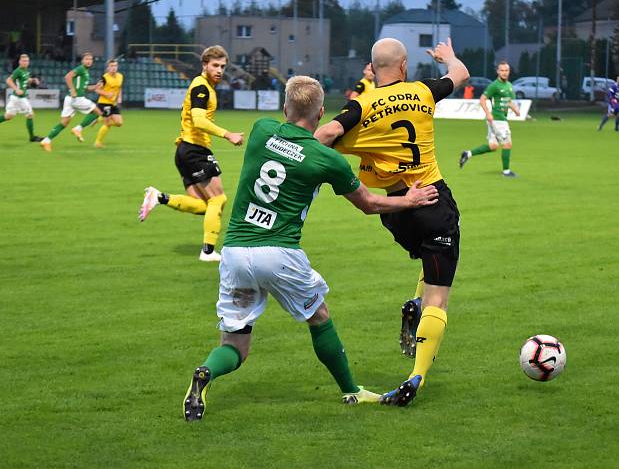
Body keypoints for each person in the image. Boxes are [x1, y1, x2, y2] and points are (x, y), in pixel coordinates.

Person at [182, 76, 440, 421]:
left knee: (235, 346)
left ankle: (205, 373)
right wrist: (409, 200)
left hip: (235, 252)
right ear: (321, 112)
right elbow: (368, 204)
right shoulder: (327, 160)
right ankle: (352, 390)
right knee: (319, 317)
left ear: (285, 106)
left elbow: (287, 141)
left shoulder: (261, 130)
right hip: (279, 253)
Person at [315, 37, 468, 407]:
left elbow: (324, 135)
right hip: (431, 198)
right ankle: (416, 376)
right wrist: (446, 56)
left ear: (374, 66)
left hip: (395, 210)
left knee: (426, 262)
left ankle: (415, 305)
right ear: (403, 66)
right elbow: (459, 75)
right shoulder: (423, 91)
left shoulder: (361, 106)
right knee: (439, 296)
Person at [139, 45, 244, 262]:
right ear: (204, 65)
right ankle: (207, 252)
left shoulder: (205, 86)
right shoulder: (202, 87)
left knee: (203, 207)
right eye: (215, 65)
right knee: (219, 199)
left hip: (184, 150)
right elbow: (199, 120)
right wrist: (228, 134)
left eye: (223, 66)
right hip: (195, 150)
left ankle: (158, 197)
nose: (220, 70)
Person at [458, 61, 522, 177]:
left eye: (506, 70)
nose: (504, 73)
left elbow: (508, 101)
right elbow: (482, 99)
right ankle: (506, 172)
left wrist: (516, 110)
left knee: (493, 146)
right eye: (502, 70)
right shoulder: (494, 85)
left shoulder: (509, 86)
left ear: (509, 71)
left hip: (501, 119)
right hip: (497, 119)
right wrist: (488, 113)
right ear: (498, 71)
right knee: (507, 144)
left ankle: (468, 154)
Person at [39, 53, 103, 152]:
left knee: (64, 123)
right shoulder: (81, 69)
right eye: (86, 59)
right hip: (77, 98)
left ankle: (46, 141)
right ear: (82, 61)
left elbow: (85, 88)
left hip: (70, 99)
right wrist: (72, 89)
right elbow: (67, 76)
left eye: (91, 59)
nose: (89, 61)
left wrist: (95, 87)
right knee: (97, 112)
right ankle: (78, 129)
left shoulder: (86, 72)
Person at [0, 54, 43, 142]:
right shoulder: (18, 71)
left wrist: (32, 80)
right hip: (19, 98)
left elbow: (25, 79)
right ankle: (32, 137)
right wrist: (16, 89)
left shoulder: (25, 71)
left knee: (8, 116)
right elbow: (8, 80)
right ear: (20, 62)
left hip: (16, 98)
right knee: (30, 115)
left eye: (27, 61)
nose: (26, 62)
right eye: (24, 61)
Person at [84, 58, 124, 148]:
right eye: (111, 66)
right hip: (104, 103)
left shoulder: (120, 76)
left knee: (119, 123)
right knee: (108, 123)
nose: (114, 68)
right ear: (108, 68)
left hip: (113, 103)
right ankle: (98, 142)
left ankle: (99, 119)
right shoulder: (104, 78)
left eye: (115, 66)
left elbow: (119, 88)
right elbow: (97, 90)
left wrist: (119, 97)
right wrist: (107, 94)